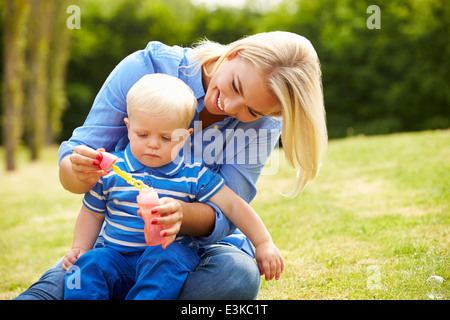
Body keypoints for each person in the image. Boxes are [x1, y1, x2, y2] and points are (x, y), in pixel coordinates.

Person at [15, 31, 327, 300]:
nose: (228, 106)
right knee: (85, 267)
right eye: (236, 86)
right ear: (235, 53)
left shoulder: (250, 136)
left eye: (253, 111)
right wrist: (78, 170)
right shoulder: (145, 68)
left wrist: (183, 215)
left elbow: (231, 207)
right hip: (119, 241)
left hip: (194, 249)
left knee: (235, 275)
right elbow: (77, 173)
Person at [63, 73, 283, 299]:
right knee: (88, 265)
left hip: (166, 258)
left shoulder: (193, 175)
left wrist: (263, 243)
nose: (153, 145)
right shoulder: (111, 170)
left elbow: (234, 206)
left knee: (170, 255)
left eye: (166, 138)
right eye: (142, 134)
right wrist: (80, 247)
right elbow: (91, 213)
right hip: (117, 256)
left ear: (184, 137)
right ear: (128, 128)